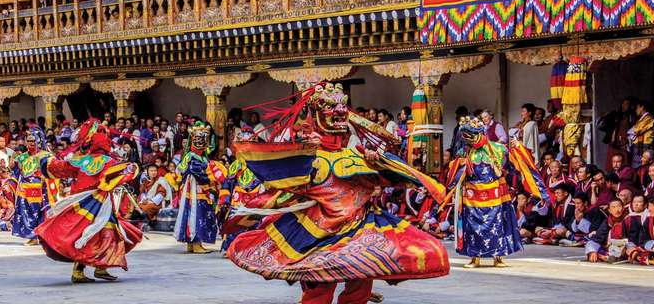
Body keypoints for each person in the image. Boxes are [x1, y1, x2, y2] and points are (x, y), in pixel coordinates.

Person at [228, 83, 449, 303]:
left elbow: (387, 180)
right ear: (316, 114)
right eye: (330, 107)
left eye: (343, 106)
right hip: (319, 234)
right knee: (319, 289)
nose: (340, 112)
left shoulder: (357, 155)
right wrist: (256, 208)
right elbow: (286, 192)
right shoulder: (309, 157)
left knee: (362, 280)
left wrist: (379, 163)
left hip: (360, 231)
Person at [34, 119, 142, 283]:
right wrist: (131, 167)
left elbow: (58, 168)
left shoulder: (80, 160)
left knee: (89, 233)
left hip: (84, 203)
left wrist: (46, 159)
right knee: (100, 234)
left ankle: (99, 267)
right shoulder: (108, 161)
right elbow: (122, 173)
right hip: (96, 203)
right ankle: (82, 270)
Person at [444, 116, 551, 267]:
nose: (471, 139)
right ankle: (475, 258)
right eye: (467, 136)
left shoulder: (498, 148)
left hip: (495, 196)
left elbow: (513, 166)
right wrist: (459, 165)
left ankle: (498, 257)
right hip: (472, 197)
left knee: (498, 227)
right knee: (474, 228)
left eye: (473, 135)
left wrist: (517, 148)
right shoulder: (465, 152)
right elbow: (455, 174)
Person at [175, 122, 226, 253]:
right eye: (198, 139)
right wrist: (212, 176)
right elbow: (196, 171)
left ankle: (192, 244)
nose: (201, 143)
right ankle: (195, 243)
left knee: (196, 213)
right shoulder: (192, 156)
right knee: (197, 214)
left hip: (198, 189)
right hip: (196, 189)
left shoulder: (200, 156)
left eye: (203, 140)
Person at [12, 131, 58, 246]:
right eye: (29, 141)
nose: (31, 143)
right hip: (25, 191)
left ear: (39, 141)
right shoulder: (21, 157)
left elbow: (53, 171)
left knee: (42, 213)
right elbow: (16, 172)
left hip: (41, 190)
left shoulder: (46, 155)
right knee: (26, 213)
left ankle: (44, 236)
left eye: (33, 140)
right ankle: (32, 237)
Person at [585, 199, 626, 263]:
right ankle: (601, 256)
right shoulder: (607, 222)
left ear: (623, 208)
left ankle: (606, 257)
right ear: (609, 210)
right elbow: (597, 239)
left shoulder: (628, 220)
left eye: (619, 206)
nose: (617, 210)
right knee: (590, 244)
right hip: (609, 248)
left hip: (623, 246)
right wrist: (592, 251)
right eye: (613, 207)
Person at [599, 97, 634, 169]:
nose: (625, 106)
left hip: (624, 142)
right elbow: (606, 125)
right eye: (624, 104)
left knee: (624, 161)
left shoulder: (631, 116)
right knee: (612, 160)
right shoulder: (615, 114)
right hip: (614, 141)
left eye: (627, 104)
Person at [628, 100, 654, 168]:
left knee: (643, 166)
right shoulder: (641, 119)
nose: (636, 110)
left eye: (637, 108)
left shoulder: (649, 118)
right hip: (638, 145)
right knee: (636, 166)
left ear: (642, 107)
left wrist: (631, 131)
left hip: (644, 145)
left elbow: (636, 131)